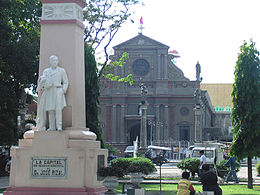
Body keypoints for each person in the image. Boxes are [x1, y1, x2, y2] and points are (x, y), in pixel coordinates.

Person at [36, 55, 69, 131]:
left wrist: (63, 90)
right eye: (53, 61)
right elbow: (42, 80)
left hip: (58, 90)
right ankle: (52, 127)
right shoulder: (46, 71)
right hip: (49, 91)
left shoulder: (61, 70)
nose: (55, 62)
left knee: (58, 109)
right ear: (50, 62)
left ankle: (59, 126)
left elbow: (65, 82)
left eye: (56, 61)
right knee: (50, 110)